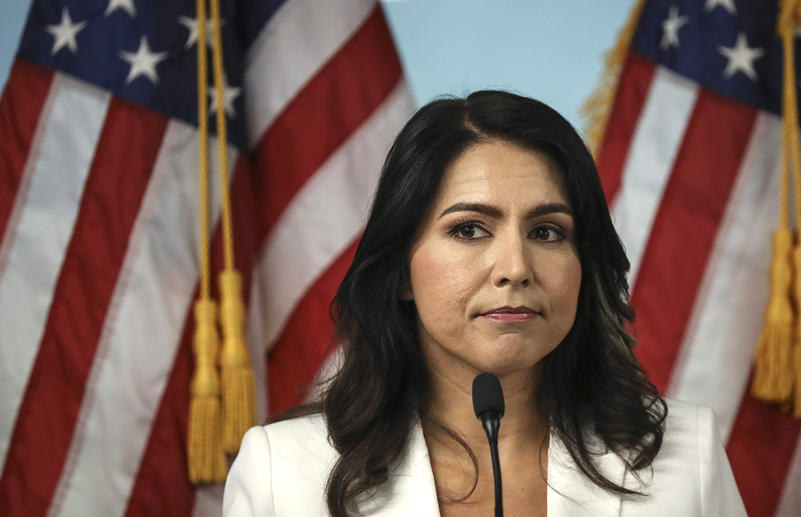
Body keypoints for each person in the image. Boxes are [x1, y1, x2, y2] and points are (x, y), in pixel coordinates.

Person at [222, 90, 746, 517]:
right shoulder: (282, 474)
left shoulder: (688, 455)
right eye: (470, 229)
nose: (516, 267)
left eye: (547, 231)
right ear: (402, 271)